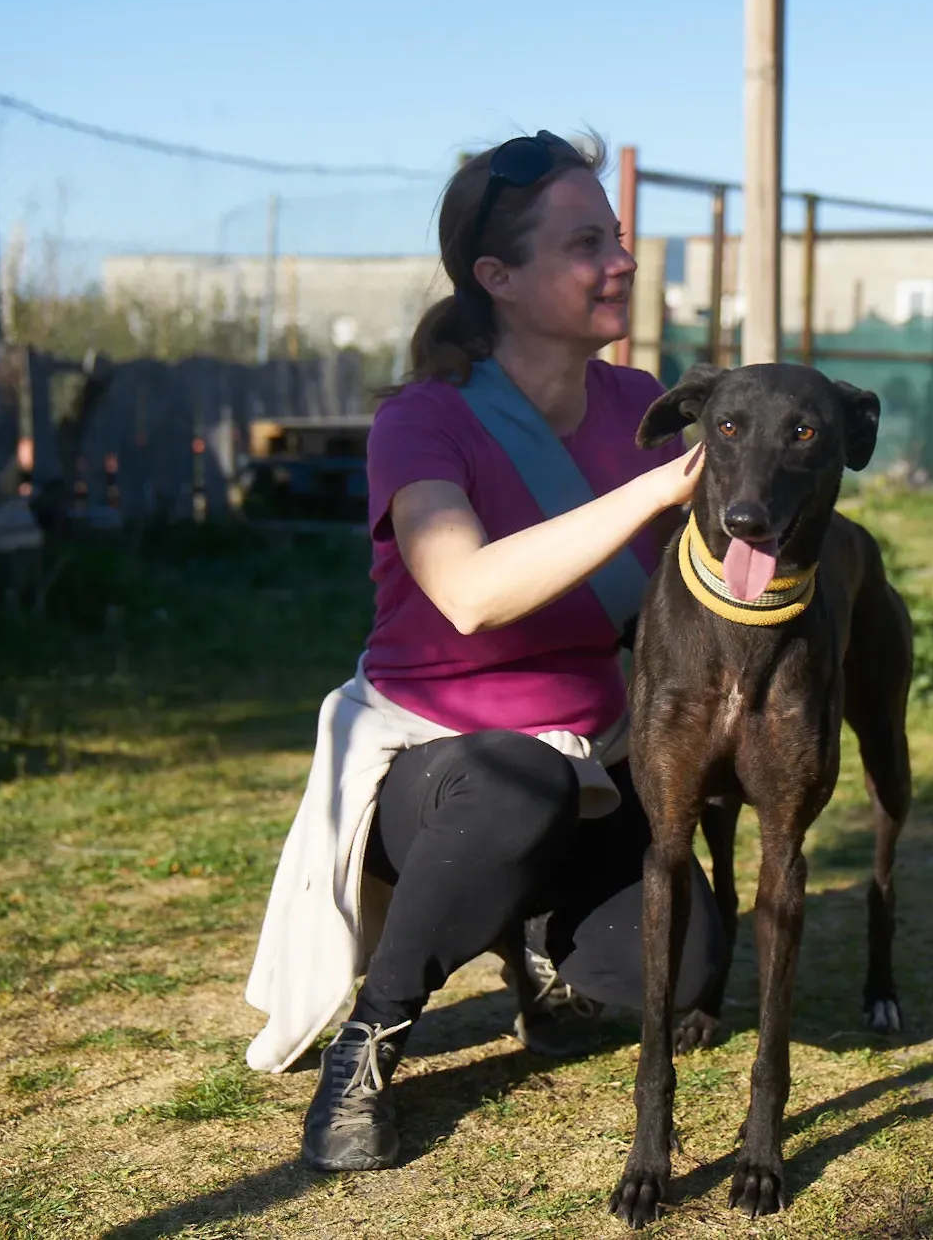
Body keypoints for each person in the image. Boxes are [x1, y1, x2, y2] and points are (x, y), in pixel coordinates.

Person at [243, 130, 725, 1173]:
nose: (621, 263)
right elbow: (465, 591)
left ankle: (535, 939)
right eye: (585, 243)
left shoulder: (633, 404)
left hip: (590, 754)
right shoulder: (422, 420)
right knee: (516, 783)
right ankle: (368, 1046)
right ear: (496, 277)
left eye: (619, 237)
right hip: (440, 770)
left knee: (682, 973)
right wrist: (650, 490)